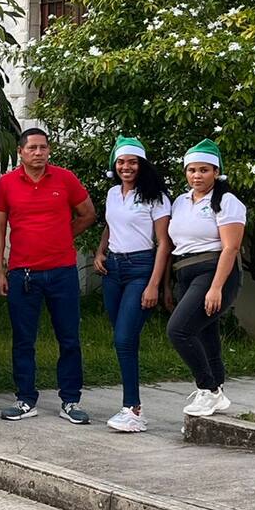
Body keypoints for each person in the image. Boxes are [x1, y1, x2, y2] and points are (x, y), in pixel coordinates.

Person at [0, 127, 96, 424]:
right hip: (23, 273)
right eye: (32, 148)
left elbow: (87, 214)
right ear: (21, 152)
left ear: (49, 150)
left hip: (61, 272)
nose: (38, 153)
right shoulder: (7, 184)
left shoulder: (65, 179)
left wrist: (64, 236)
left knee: (69, 338)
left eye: (43, 147)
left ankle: (71, 400)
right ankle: (25, 398)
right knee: (23, 339)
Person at [92, 136, 171, 432]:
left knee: (124, 338)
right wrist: (101, 251)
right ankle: (130, 404)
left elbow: (164, 244)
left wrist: (154, 285)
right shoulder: (113, 193)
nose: (126, 167)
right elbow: (111, 225)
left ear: (142, 165)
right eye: (122, 162)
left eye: (133, 162)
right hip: (113, 268)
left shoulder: (156, 196)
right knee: (124, 339)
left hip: (141, 267)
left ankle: (133, 409)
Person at [165, 139, 246, 417]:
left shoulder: (226, 201)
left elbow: (231, 247)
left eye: (204, 170)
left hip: (212, 270)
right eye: (192, 170)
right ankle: (218, 390)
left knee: (178, 330)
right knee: (204, 331)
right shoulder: (181, 201)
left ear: (216, 172)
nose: (197, 176)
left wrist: (216, 287)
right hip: (184, 271)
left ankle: (208, 389)